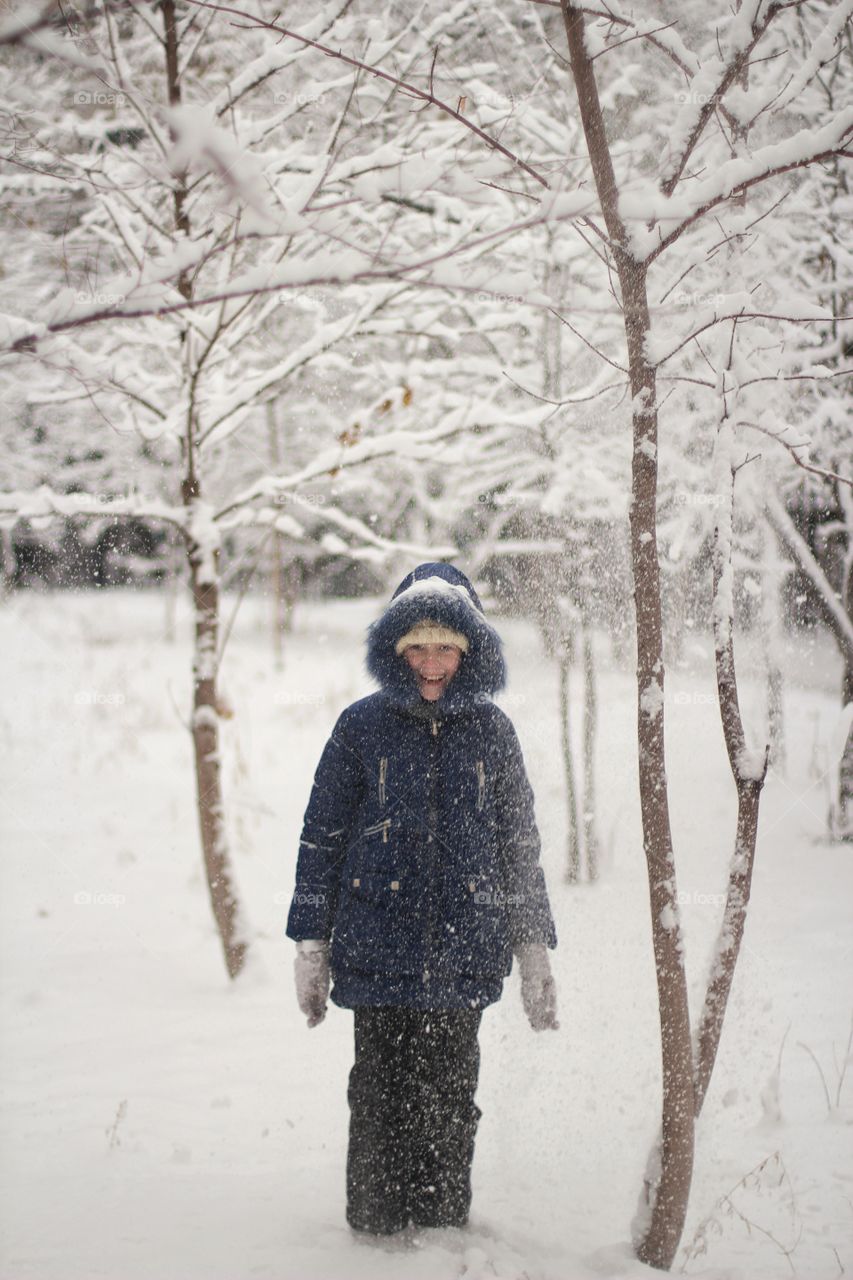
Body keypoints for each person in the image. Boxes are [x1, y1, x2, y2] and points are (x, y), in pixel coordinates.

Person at [285, 561, 558, 1238]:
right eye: (416, 648)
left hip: (464, 954)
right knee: (378, 1096)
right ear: (395, 651)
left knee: (449, 1100)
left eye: (444, 648)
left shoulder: (491, 732)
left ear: (468, 654)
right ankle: (374, 1237)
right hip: (375, 950)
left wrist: (531, 949)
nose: (430, 663)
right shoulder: (360, 726)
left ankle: (439, 1233)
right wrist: (310, 942)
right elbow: (321, 836)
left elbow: (517, 843)